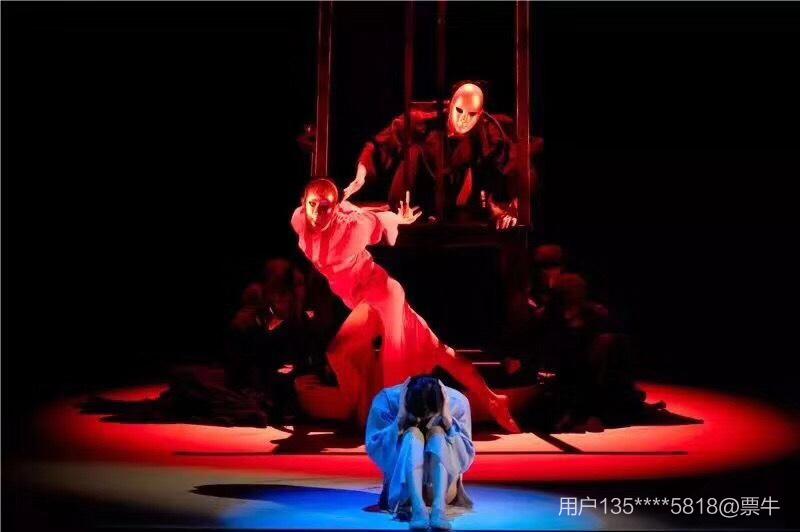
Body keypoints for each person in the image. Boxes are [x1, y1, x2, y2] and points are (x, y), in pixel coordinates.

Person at [291, 178, 519, 432]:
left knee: (382, 365)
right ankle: (493, 399)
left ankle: (365, 411)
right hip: (364, 300)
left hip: (382, 295)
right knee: (436, 350)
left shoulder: (354, 229)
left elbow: (376, 219)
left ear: (334, 210)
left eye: (325, 207)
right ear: (303, 203)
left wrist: (400, 218)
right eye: (312, 205)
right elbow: (344, 205)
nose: (317, 213)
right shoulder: (299, 220)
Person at [343, 82, 531, 230]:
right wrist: (361, 176)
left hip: (455, 199)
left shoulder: (488, 130)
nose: (464, 119)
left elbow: (513, 163)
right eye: (459, 111)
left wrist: (511, 207)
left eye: (472, 114)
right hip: (417, 190)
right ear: (451, 106)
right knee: (413, 151)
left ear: (480, 114)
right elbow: (380, 143)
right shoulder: (425, 121)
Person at [366, 375, 474, 530]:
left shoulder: (458, 402)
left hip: (443, 490)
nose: (422, 422)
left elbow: (465, 459)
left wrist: (449, 423)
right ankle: (418, 509)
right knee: (412, 433)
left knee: (437, 431)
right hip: (404, 493)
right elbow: (376, 449)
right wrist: (400, 420)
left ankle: (439, 509)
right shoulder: (386, 401)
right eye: (416, 417)